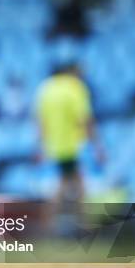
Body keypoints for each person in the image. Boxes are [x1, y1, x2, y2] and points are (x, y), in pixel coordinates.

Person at [36, 62, 104, 203]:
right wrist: (97, 146)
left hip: (54, 147)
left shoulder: (45, 89)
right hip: (75, 146)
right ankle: (57, 221)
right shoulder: (75, 87)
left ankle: (74, 220)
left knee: (73, 184)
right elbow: (85, 119)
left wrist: (40, 146)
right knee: (74, 185)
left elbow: (40, 121)